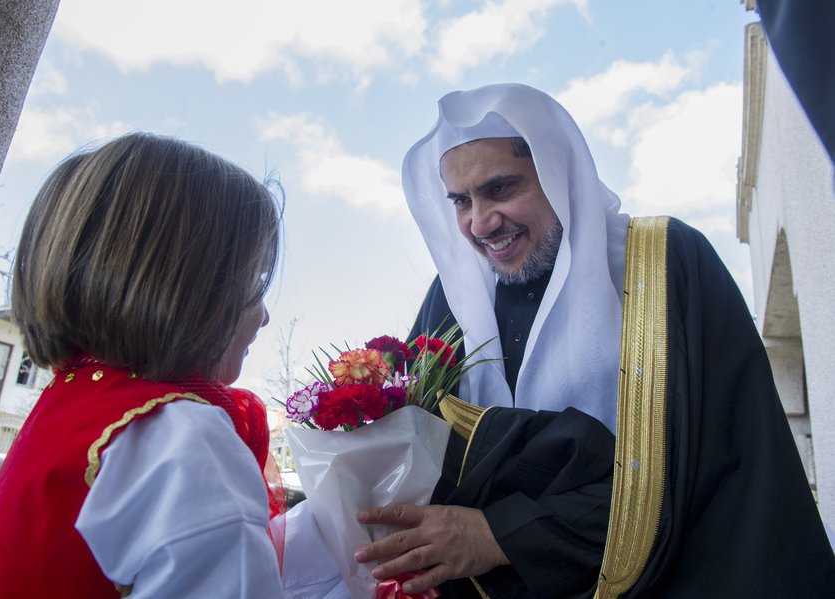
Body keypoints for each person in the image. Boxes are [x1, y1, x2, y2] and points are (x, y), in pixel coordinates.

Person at [354, 83, 835, 597]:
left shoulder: (665, 263)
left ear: (559, 174)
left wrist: (502, 534)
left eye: (500, 189)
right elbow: (420, 455)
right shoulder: (451, 300)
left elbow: (705, 466)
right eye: (461, 201)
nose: (480, 222)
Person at [0, 133, 286, 598]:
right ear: (191, 284)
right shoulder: (181, 436)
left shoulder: (75, 401)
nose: (264, 315)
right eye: (253, 279)